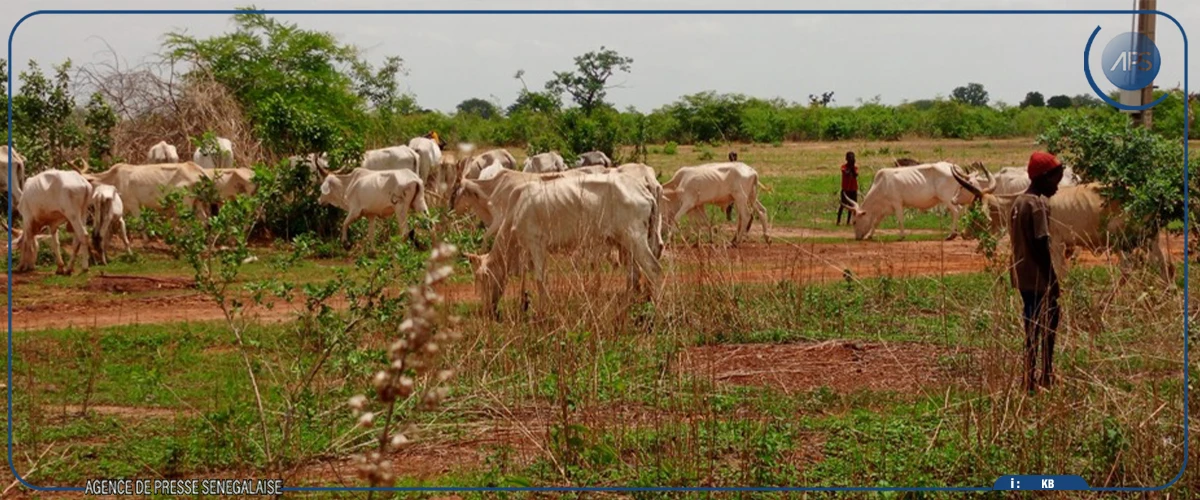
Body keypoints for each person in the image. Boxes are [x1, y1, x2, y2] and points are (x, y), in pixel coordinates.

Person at [1010, 151, 1064, 393]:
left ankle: (1029, 377)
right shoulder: (1037, 205)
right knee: (1049, 323)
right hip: (1039, 278)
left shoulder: (1018, 203)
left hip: (1022, 276)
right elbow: (1042, 244)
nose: (1057, 186)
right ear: (1042, 178)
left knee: (1031, 327)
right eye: (1055, 180)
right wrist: (1052, 279)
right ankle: (1046, 374)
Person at [836, 151, 858, 226]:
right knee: (843, 205)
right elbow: (846, 172)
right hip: (846, 190)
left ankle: (848, 221)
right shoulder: (844, 167)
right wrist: (851, 167)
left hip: (853, 189)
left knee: (852, 206)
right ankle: (838, 221)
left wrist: (852, 167)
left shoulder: (855, 168)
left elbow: (855, 175)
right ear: (846, 159)